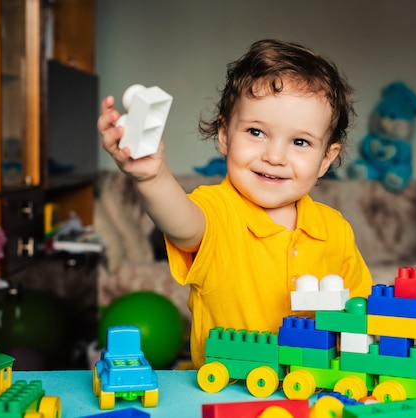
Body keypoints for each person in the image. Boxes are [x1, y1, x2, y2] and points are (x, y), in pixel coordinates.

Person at [99, 39, 373, 368]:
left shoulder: (335, 230)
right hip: (228, 388)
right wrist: (152, 178)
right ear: (225, 134)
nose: (274, 157)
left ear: (326, 159)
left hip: (314, 389)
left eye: (300, 141)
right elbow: (182, 224)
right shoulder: (217, 210)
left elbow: (361, 313)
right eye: (256, 132)